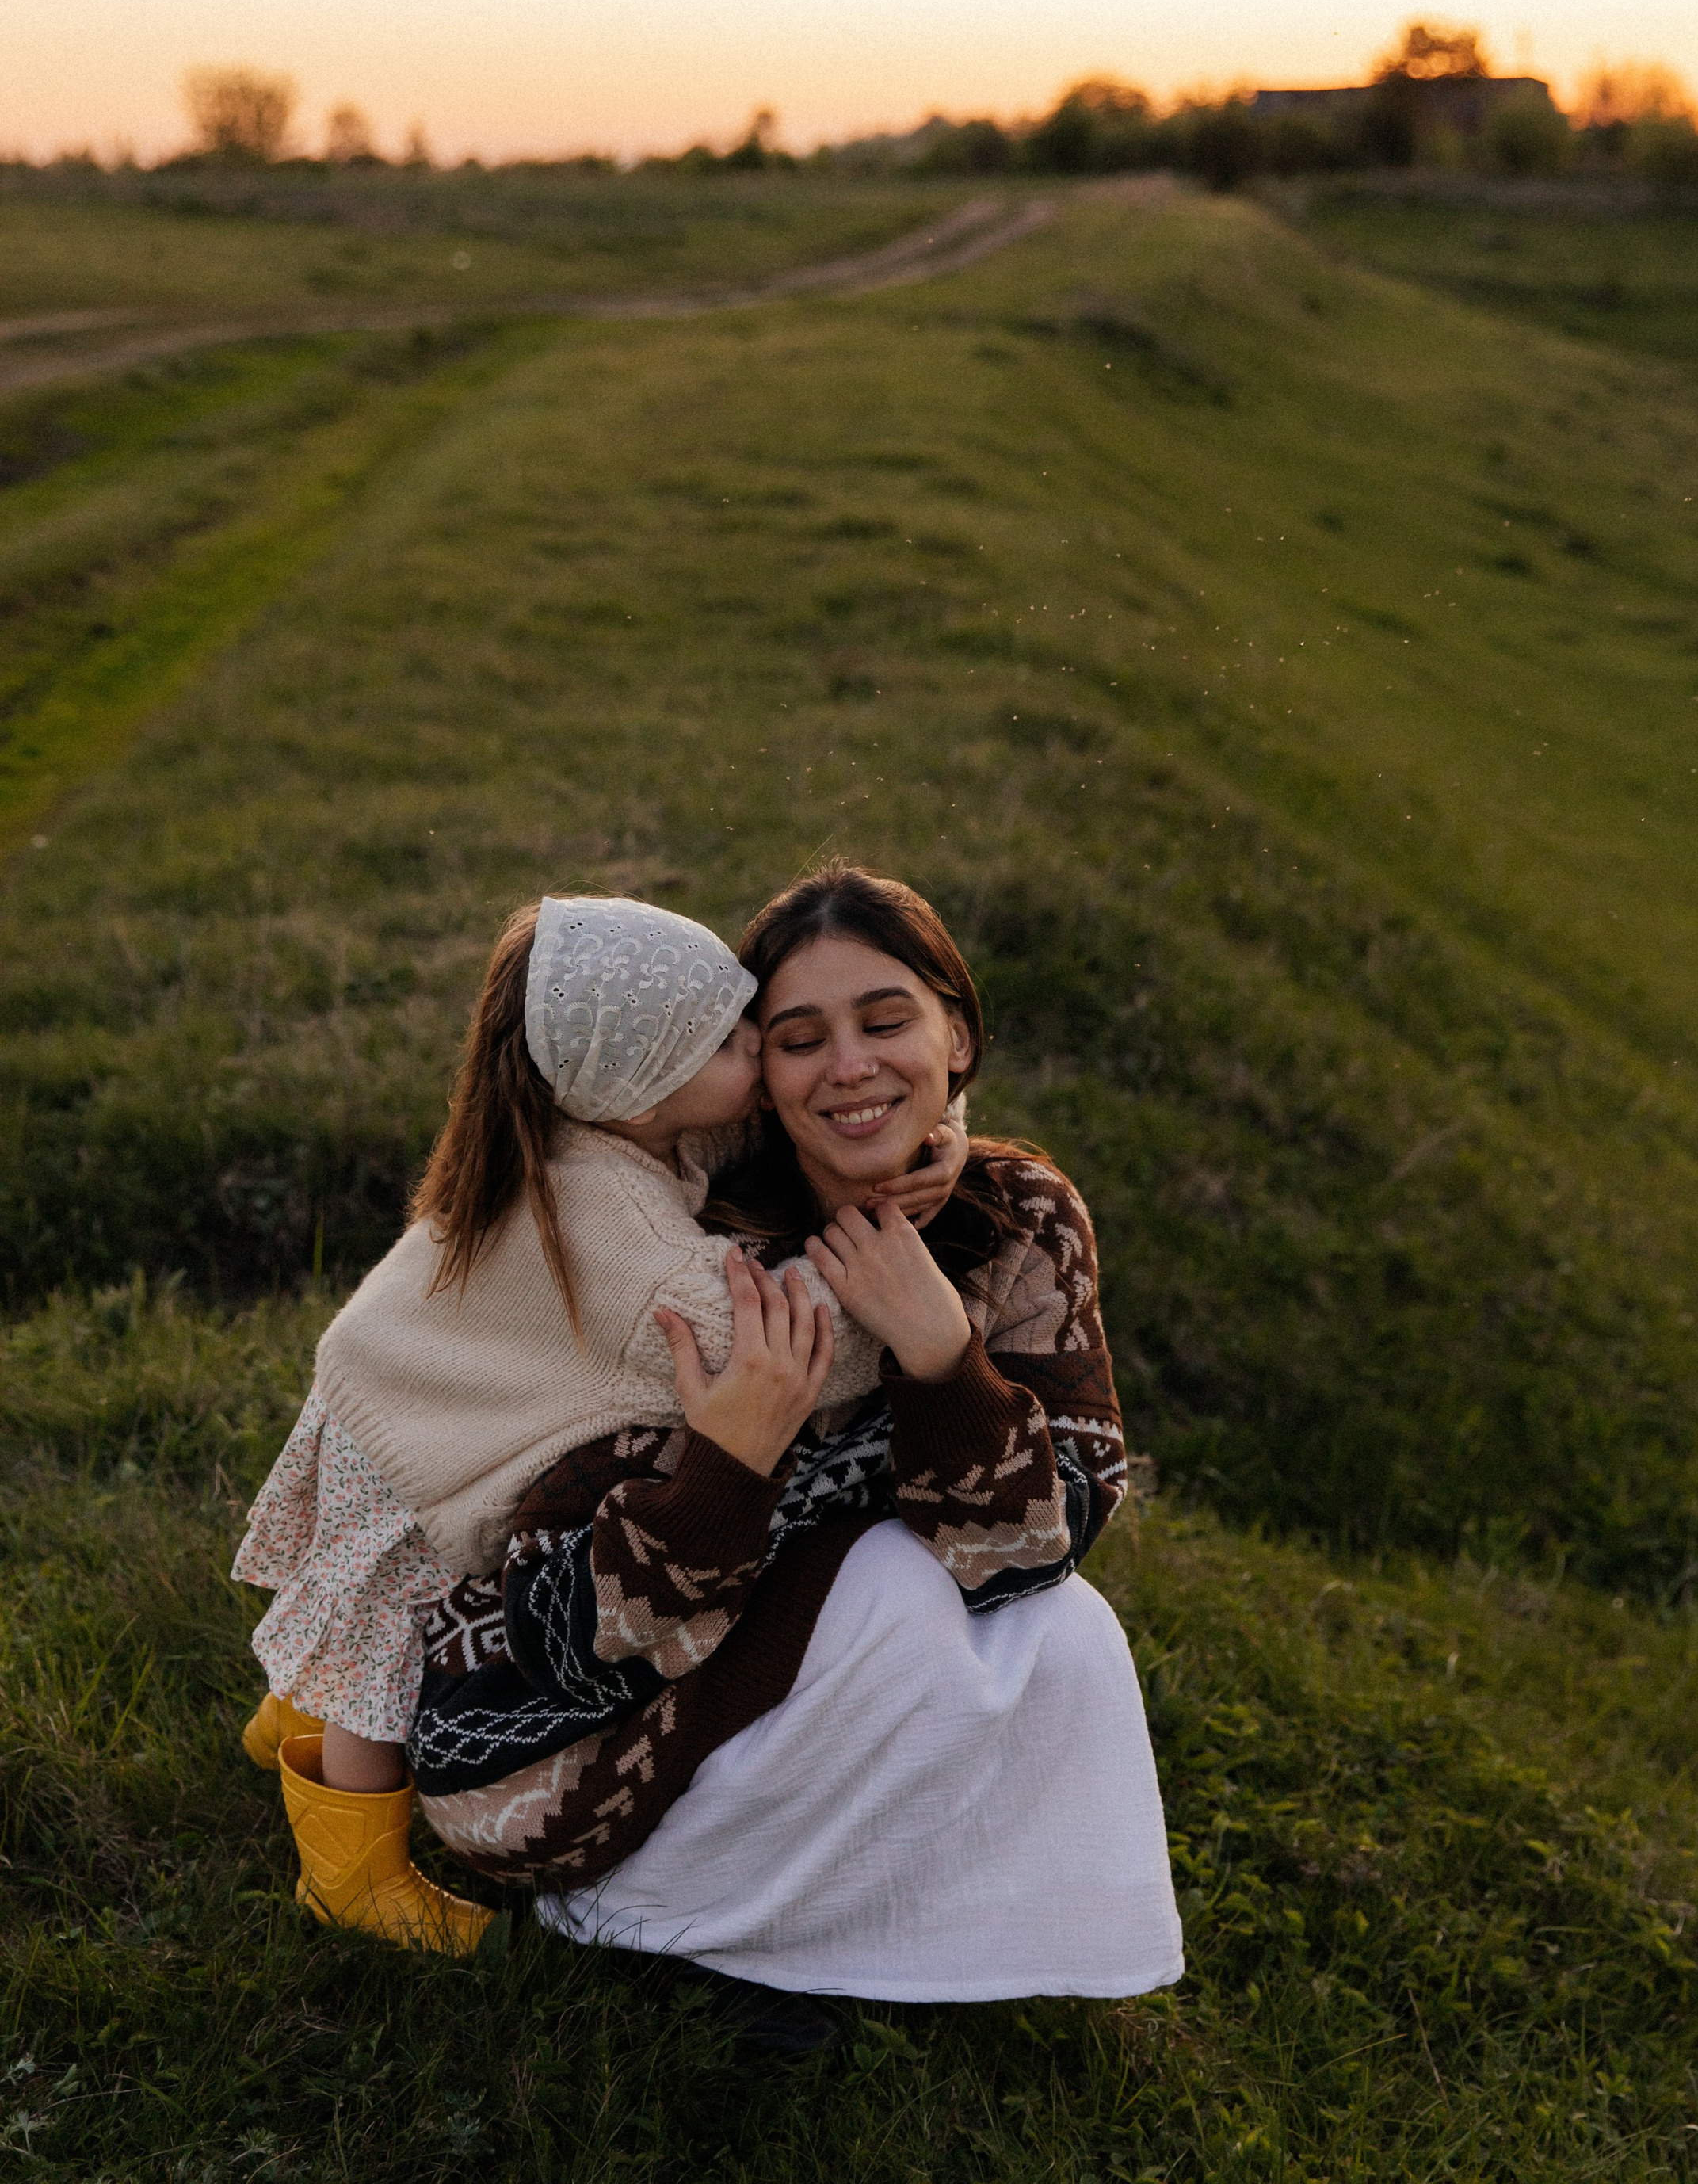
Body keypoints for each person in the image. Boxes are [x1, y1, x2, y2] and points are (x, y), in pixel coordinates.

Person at [410, 865, 1182, 2021]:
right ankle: (663, 1925)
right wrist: (729, 1459)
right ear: (755, 1077)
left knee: (1063, 1636)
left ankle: (874, 1935)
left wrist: (941, 1361)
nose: (852, 1068)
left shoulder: (1017, 1216)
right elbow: (568, 1640)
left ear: (957, 1038)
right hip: (548, 1744)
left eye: (887, 1023)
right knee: (896, 1589)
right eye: (799, 1039)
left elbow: (1038, 1550)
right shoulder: (678, 1242)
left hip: (779, 1666)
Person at [232, 893, 965, 1952]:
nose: (758, 1052)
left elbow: (762, 1146)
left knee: (350, 1632)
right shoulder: (617, 1229)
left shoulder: (604, 1132)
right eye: (727, 1039)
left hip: (394, 1380)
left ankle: (286, 1717)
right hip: (405, 1432)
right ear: (646, 1083)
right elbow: (761, 1345)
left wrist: (927, 1128)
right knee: (382, 1641)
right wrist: (889, 1269)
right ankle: (348, 1872)